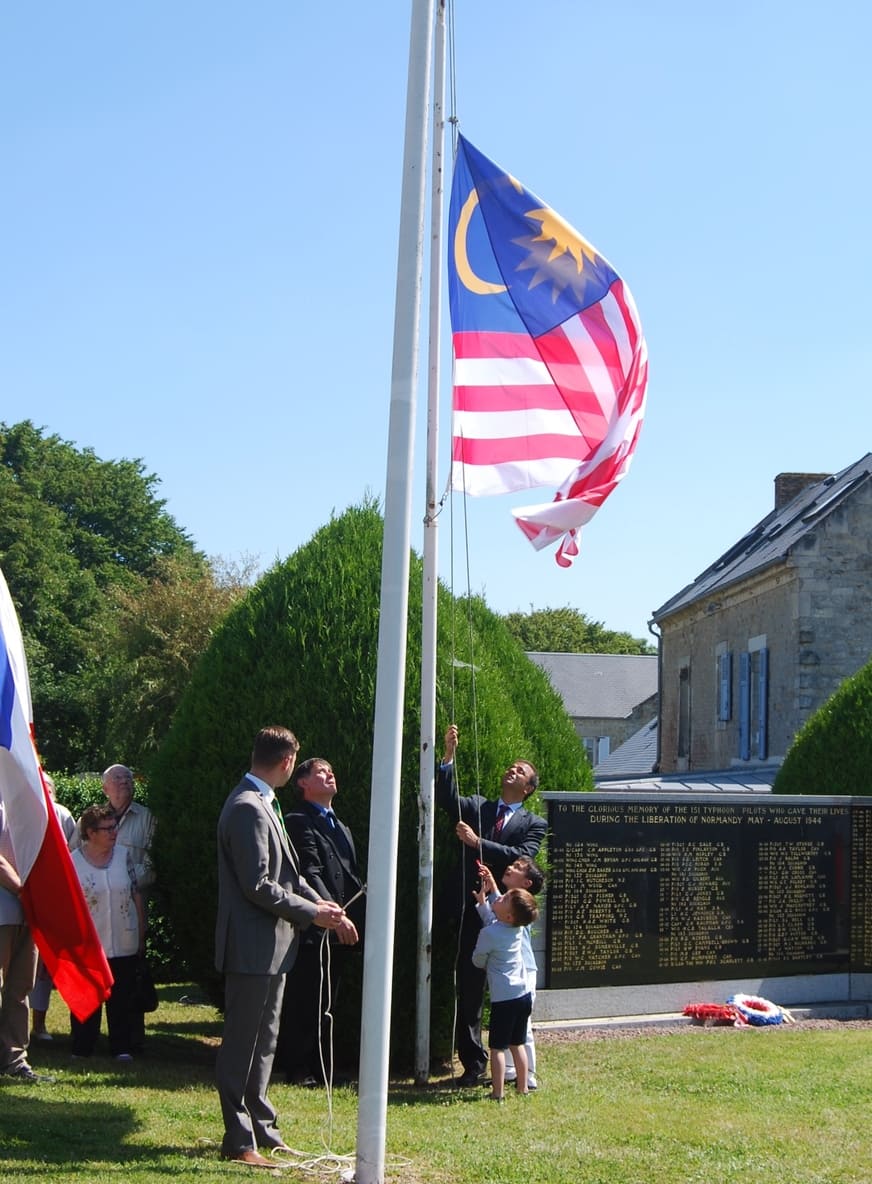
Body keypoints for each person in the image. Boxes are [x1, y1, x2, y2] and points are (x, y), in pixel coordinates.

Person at [215, 726, 352, 1169]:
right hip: (252, 948)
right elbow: (258, 885)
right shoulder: (247, 807)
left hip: (273, 947)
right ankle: (238, 1141)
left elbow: (287, 876)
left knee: (265, 1043)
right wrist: (313, 914)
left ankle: (264, 1130)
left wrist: (318, 902)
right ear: (288, 763)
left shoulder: (262, 803)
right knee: (242, 1045)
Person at [436, 723, 546, 1086]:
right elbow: (448, 800)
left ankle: (519, 1069)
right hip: (472, 910)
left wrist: (477, 843)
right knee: (468, 987)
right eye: (511, 766)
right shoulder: (478, 806)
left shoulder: (534, 823)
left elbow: (522, 855)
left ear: (528, 789)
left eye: (521, 771)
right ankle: (473, 1064)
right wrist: (448, 757)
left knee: (511, 991)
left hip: (508, 917)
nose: (512, 770)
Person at [275, 757, 363, 1086]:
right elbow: (308, 872)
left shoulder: (342, 828)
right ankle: (297, 1068)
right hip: (315, 924)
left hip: (341, 924)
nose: (330, 775)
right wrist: (333, 916)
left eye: (331, 770)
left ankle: (323, 1068)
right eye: (320, 772)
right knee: (306, 997)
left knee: (328, 999)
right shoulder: (299, 821)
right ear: (302, 783)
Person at [69, 802, 145, 1061]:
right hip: (90, 942)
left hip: (124, 939)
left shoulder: (124, 856)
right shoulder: (74, 862)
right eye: (107, 829)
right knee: (88, 997)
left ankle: (121, 1047)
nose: (114, 833)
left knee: (121, 997)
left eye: (114, 827)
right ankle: (82, 1047)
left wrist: (141, 933)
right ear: (90, 833)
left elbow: (135, 893)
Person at [475, 858, 544, 1090]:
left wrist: (493, 888)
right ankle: (513, 1074)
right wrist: (492, 885)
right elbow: (497, 915)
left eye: (517, 868)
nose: (510, 868)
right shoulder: (516, 909)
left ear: (526, 883)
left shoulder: (520, 911)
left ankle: (529, 1077)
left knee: (522, 1031)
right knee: (517, 1034)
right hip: (515, 975)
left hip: (524, 972)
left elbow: (499, 917)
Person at [0, 799, 54, 1083]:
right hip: (7, 908)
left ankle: (14, 1060)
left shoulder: (24, 802)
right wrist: (23, 890)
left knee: (20, 988)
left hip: (27, 912)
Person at [29, 775, 76, 1041]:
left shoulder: (63, 815)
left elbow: (73, 851)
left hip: (54, 899)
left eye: (48, 787)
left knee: (47, 965)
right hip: (24, 895)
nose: (43, 790)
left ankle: (40, 1024)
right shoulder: (20, 810)